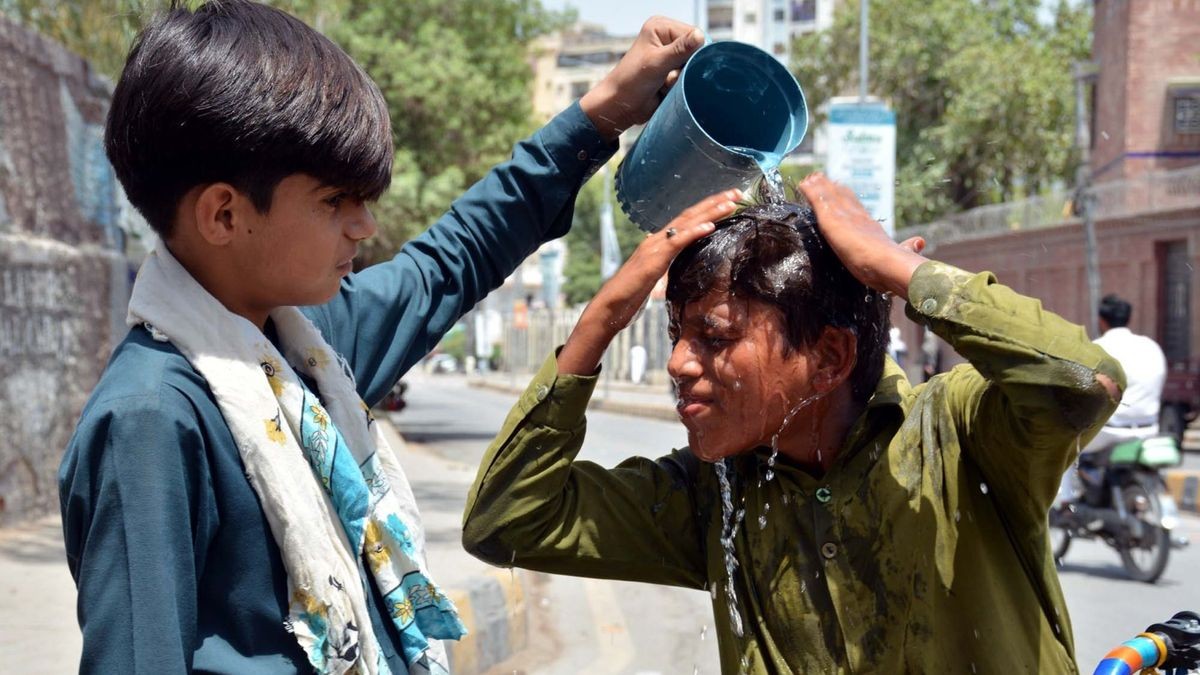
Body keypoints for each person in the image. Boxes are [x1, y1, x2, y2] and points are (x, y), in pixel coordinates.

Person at [57, 2, 705, 673]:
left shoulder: (306, 351)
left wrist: (601, 114)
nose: (364, 226)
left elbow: (452, 260)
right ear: (224, 212)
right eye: (335, 201)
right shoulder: (152, 418)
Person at [462, 175, 1124, 673]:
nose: (677, 363)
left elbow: (1083, 381)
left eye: (713, 337)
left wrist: (896, 269)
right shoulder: (718, 494)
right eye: (675, 334)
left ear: (830, 356)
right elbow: (506, 521)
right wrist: (604, 316)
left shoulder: (961, 437)